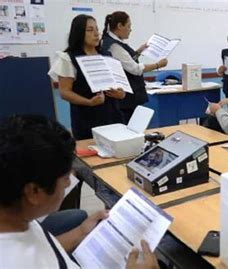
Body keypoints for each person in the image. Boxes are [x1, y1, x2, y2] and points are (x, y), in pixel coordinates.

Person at [0, 114, 159, 269]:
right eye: (65, 178)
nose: (69, 182)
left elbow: (45, 251)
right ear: (34, 192)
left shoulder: (16, 218)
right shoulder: (15, 260)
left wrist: (80, 233)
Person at [48, 14, 125, 140]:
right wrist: (89, 102)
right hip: (86, 119)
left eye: (97, 29)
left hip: (113, 116)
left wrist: (120, 94)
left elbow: (120, 87)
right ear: (79, 33)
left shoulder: (107, 55)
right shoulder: (68, 58)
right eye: (90, 30)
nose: (96, 34)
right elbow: (65, 92)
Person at [102, 11, 168, 123]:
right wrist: (158, 65)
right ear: (119, 26)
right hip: (126, 99)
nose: (130, 30)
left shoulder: (112, 41)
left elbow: (126, 60)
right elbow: (135, 69)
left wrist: (139, 51)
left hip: (125, 97)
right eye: (128, 26)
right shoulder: (114, 45)